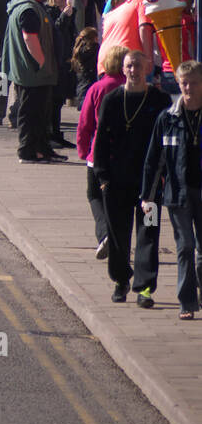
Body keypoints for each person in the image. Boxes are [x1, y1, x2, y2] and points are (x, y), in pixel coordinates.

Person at [93, 50, 173, 307]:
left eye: (138, 65)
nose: (133, 70)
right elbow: (101, 142)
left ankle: (145, 287)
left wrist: (164, 178)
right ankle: (121, 280)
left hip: (150, 186)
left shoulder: (159, 101)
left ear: (147, 67)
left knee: (148, 232)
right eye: (129, 66)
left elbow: (167, 143)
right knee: (118, 234)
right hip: (116, 183)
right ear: (123, 69)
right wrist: (102, 178)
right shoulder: (112, 100)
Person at [142, 60, 202, 318]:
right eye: (183, 83)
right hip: (178, 193)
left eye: (194, 83)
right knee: (185, 246)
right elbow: (153, 160)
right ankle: (187, 303)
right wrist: (147, 196)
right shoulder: (167, 118)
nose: (188, 88)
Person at [2, 0, 63, 163]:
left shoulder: (29, 6)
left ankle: (42, 149)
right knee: (31, 114)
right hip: (33, 74)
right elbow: (30, 39)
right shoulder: (28, 10)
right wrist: (43, 62)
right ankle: (28, 151)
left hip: (35, 74)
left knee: (41, 114)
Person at [77, 44, 128, 261]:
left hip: (98, 153)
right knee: (118, 199)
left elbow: (85, 123)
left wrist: (82, 150)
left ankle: (105, 234)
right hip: (124, 154)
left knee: (94, 195)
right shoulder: (131, 88)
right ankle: (117, 239)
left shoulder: (98, 88)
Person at [46, 0, 79, 148]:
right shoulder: (50, 11)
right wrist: (64, 15)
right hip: (55, 60)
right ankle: (51, 133)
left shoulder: (70, 12)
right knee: (53, 99)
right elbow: (56, 30)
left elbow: (71, 33)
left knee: (60, 99)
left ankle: (57, 133)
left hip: (66, 59)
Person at [98, 0, 156, 75]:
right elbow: (144, 28)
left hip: (104, 63)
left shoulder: (111, 13)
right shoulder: (140, 3)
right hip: (126, 62)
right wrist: (149, 60)